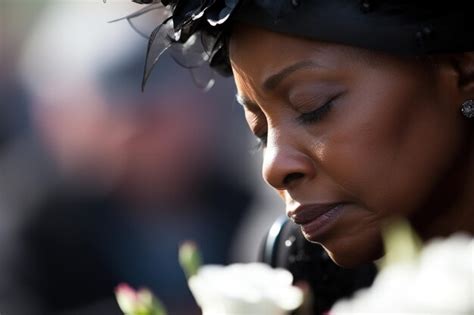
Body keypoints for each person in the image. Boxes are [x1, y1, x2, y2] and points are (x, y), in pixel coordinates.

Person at [122, 0, 474, 268]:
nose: (272, 168)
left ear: (461, 70)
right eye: (258, 131)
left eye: (313, 106)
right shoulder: (294, 274)